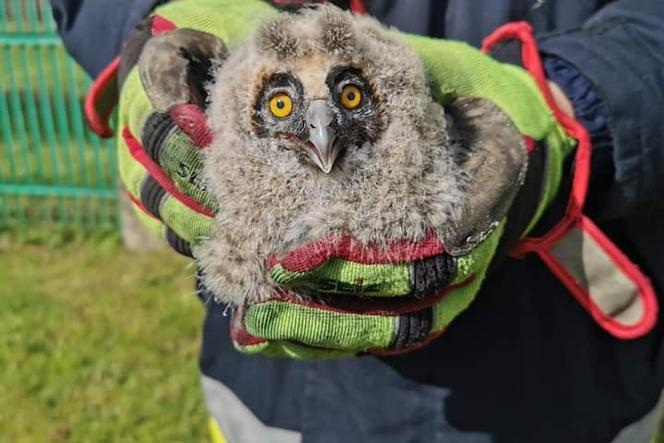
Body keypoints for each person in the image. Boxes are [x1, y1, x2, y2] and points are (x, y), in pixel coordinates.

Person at [49, 0, 664, 442]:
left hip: (565, 379)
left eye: (346, 99)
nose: (319, 127)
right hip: (279, 401)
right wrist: (153, 15)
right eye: (284, 105)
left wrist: (571, 112)